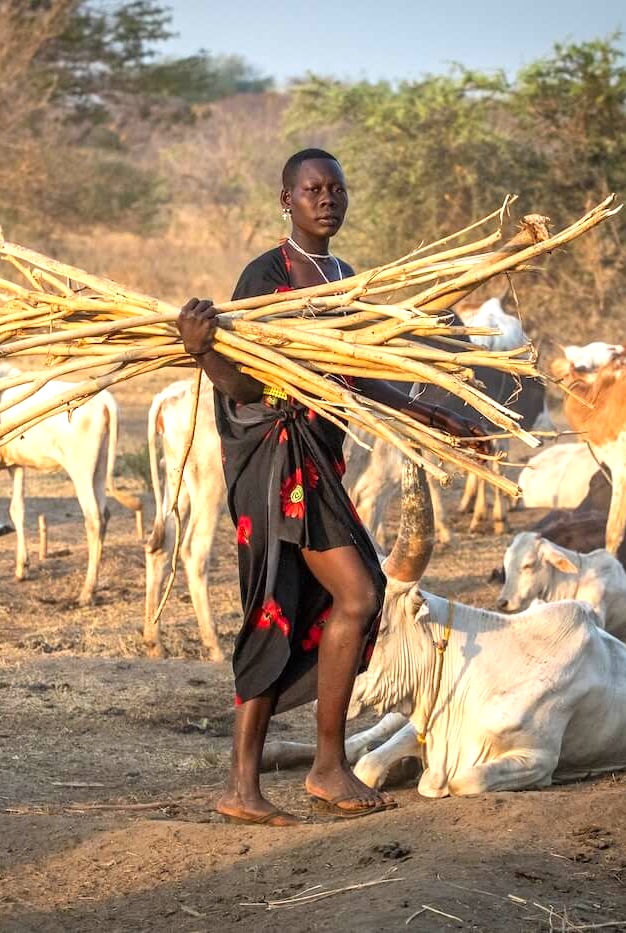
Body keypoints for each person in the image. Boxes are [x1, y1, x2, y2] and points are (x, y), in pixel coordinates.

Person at [178, 148, 492, 825]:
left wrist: (427, 411)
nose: (327, 198)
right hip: (274, 462)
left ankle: (285, 775)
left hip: (320, 461)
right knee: (335, 596)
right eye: (312, 189)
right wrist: (203, 350)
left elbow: (351, 374)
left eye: (336, 188)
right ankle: (310, 768)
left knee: (304, 608)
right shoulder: (266, 274)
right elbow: (240, 380)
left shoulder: (344, 278)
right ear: (285, 199)